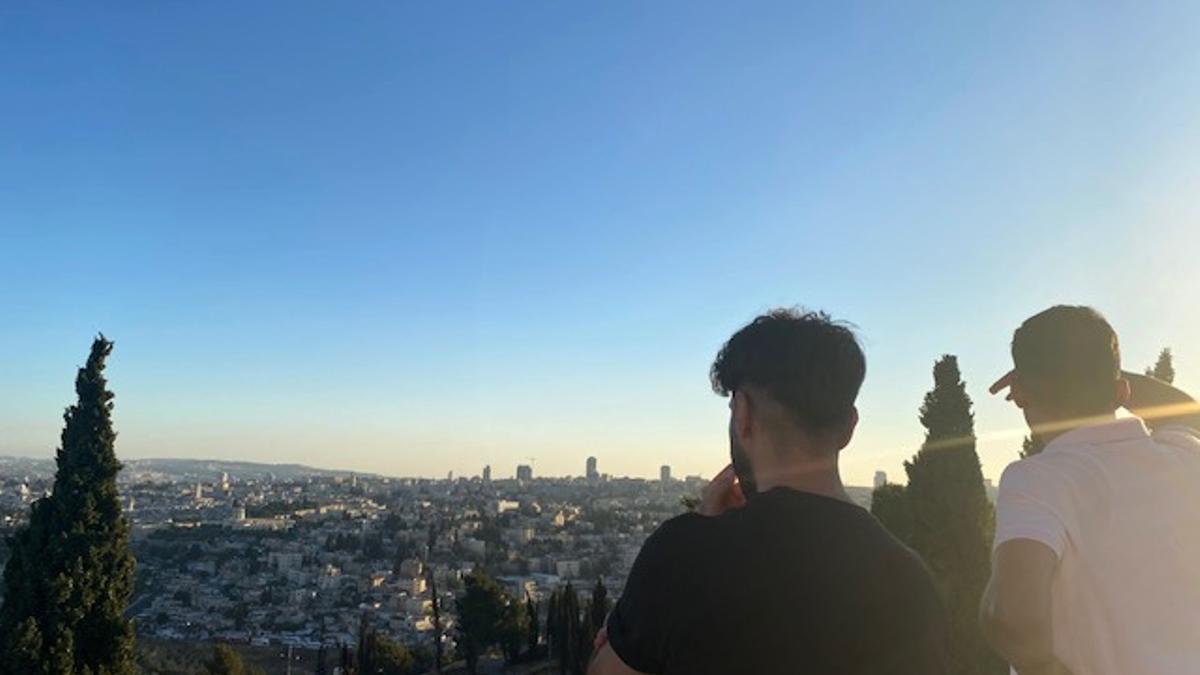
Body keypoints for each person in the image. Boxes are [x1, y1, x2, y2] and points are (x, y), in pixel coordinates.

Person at [588, 308, 949, 675]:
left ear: (742, 413)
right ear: (849, 427)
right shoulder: (908, 577)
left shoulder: (684, 556)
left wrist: (635, 625)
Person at [981, 305, 1200, 675]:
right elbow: (1187, 412)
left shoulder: (1037, 479)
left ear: (1019, 393)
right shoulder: (1185, 455)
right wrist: (1100, 371)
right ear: (1123, 392)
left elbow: (1013, 621)